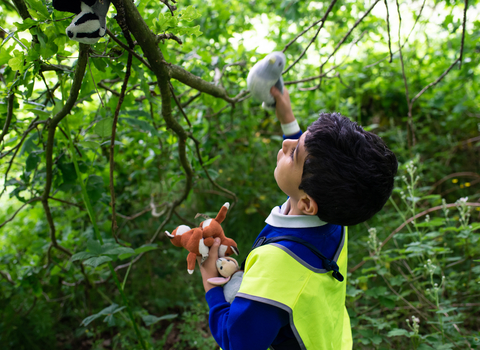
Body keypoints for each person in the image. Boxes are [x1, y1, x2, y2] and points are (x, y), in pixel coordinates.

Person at [197, 86, 398, 350]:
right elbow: (311, 166)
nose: (286, 143)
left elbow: (237, 342)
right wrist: (287, 118)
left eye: (294, 153)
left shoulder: (276, 271)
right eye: (299, 138)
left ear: (307, 203)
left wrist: (210, 284)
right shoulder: (334, 215)